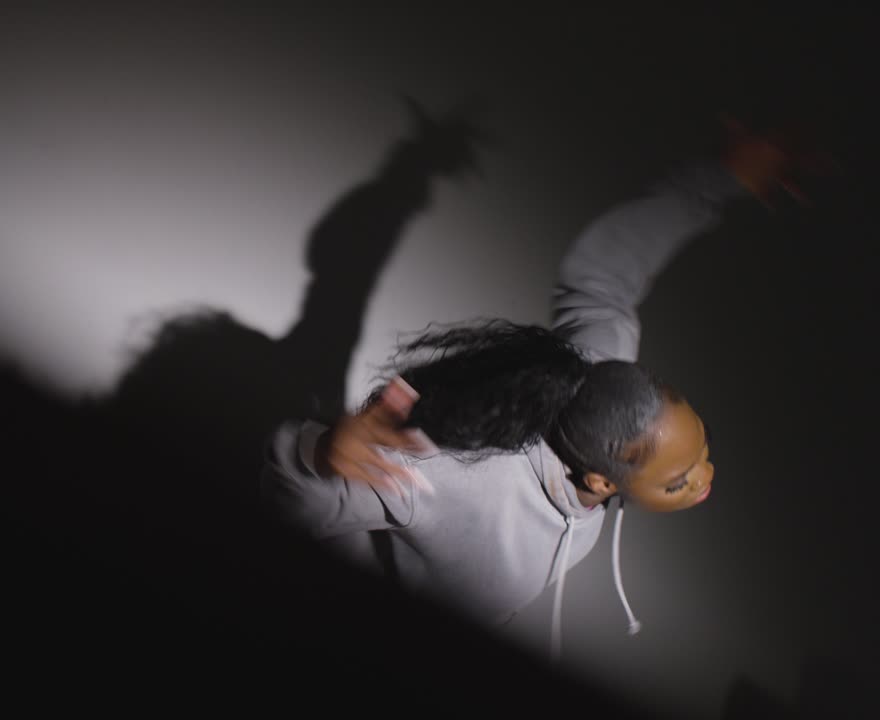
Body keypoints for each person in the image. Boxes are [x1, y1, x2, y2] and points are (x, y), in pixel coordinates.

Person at [259, 118, 827, 660]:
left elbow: (606, 272)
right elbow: (292, 505)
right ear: (602, 480)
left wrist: (718, 178)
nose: (707, 477)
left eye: (702, 453)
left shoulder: (593, 368)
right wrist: (320, 456)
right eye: (680, 480)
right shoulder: (444, 474)